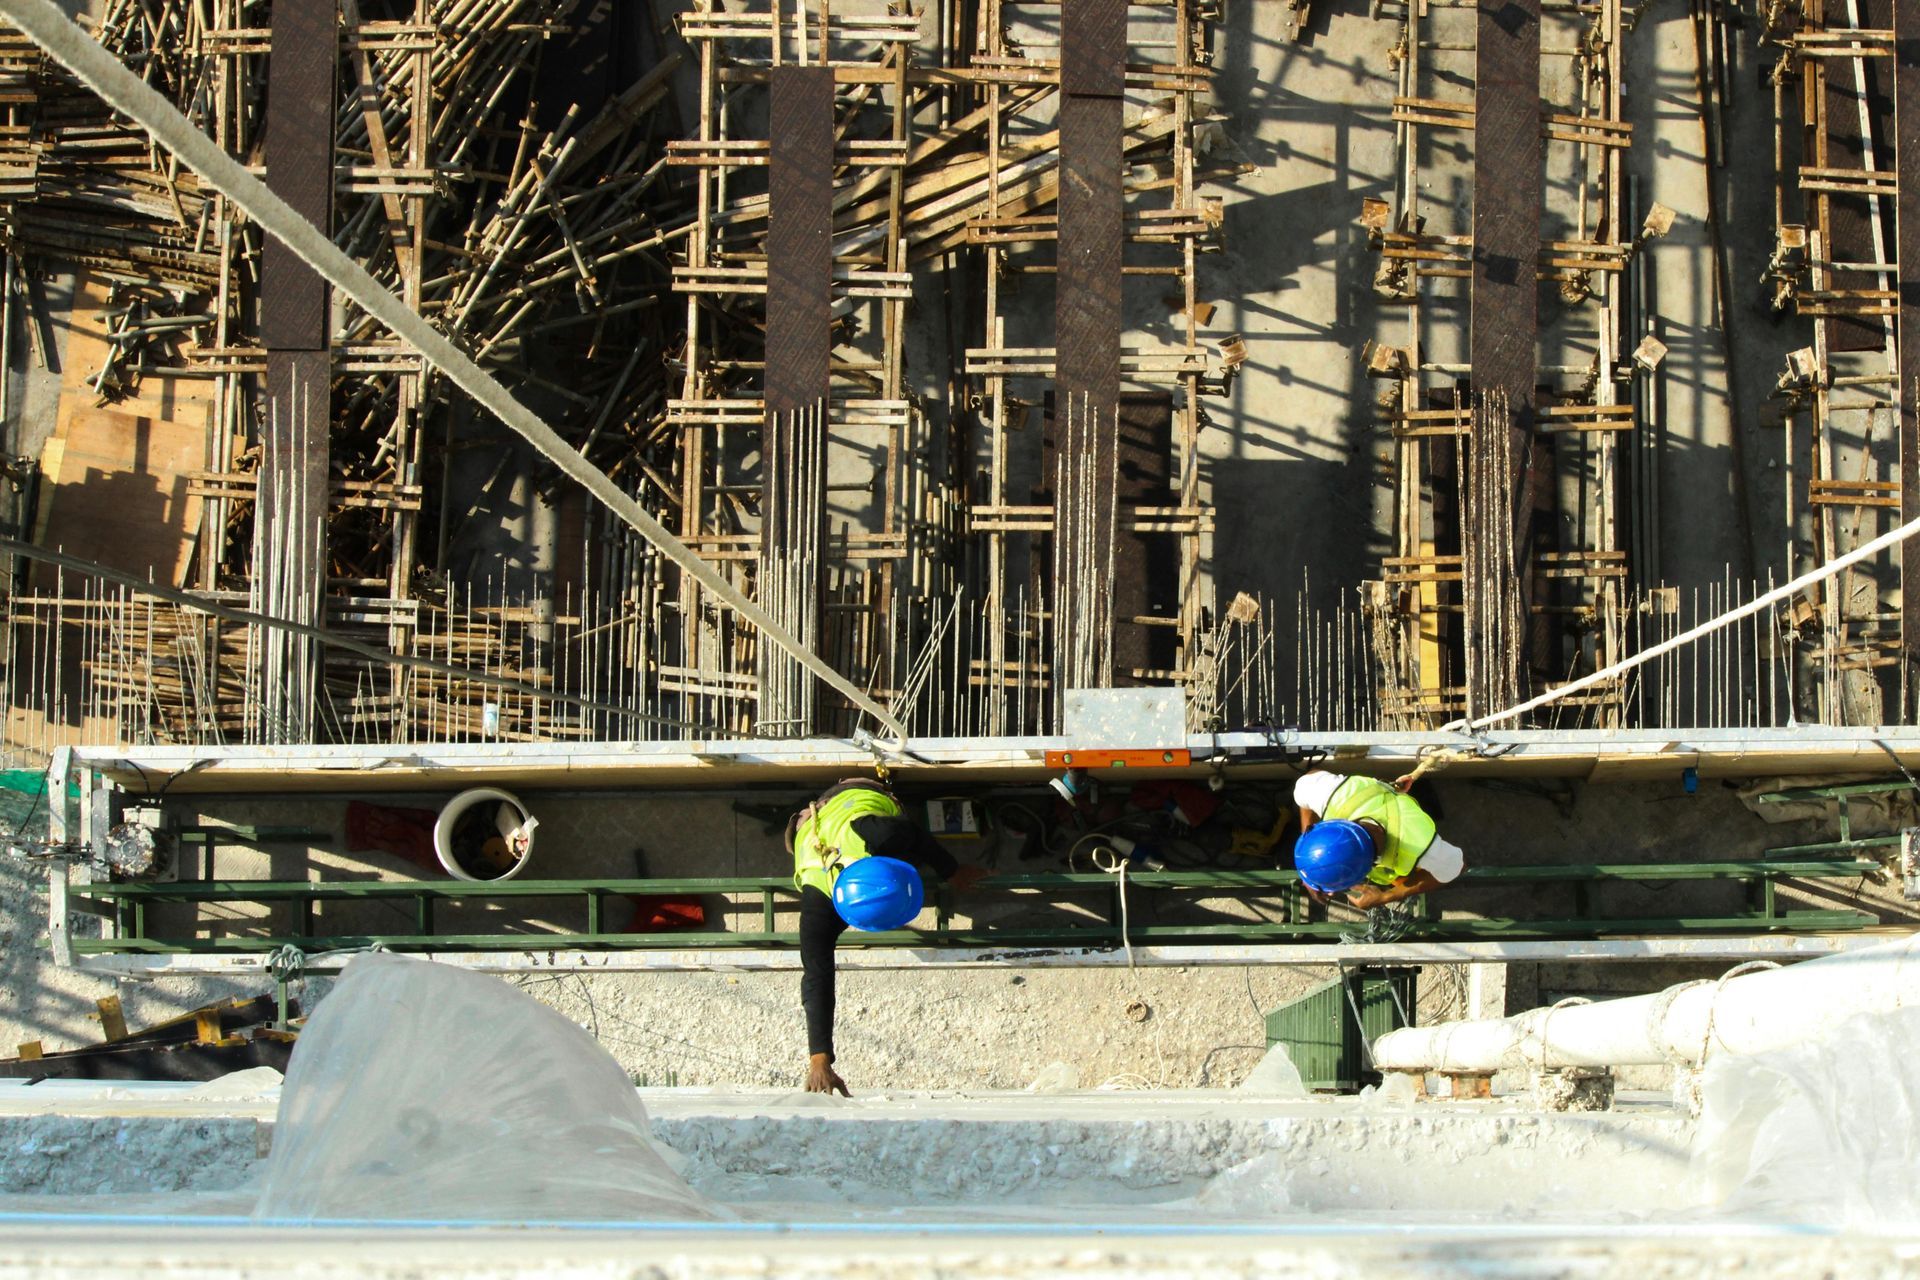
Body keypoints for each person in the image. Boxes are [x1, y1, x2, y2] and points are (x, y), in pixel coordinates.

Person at [789, 778, 986, 1095]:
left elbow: (920, 839)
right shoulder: (817, 906)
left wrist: (952, 870)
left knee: (910, 843)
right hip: (820, 823)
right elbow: (816, 977)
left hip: (855, 799)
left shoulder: (884, 834)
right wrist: (819, 1060)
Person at [1290, 769, 1465, 909]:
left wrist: (1387, 896)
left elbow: (1458, 866)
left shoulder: (1420, 845)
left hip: (1410, 824)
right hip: (1378, 805)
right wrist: (1309, 840)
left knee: (1406, 878)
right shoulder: (1336, 795)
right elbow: (1308, 779)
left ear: (1365, 871)